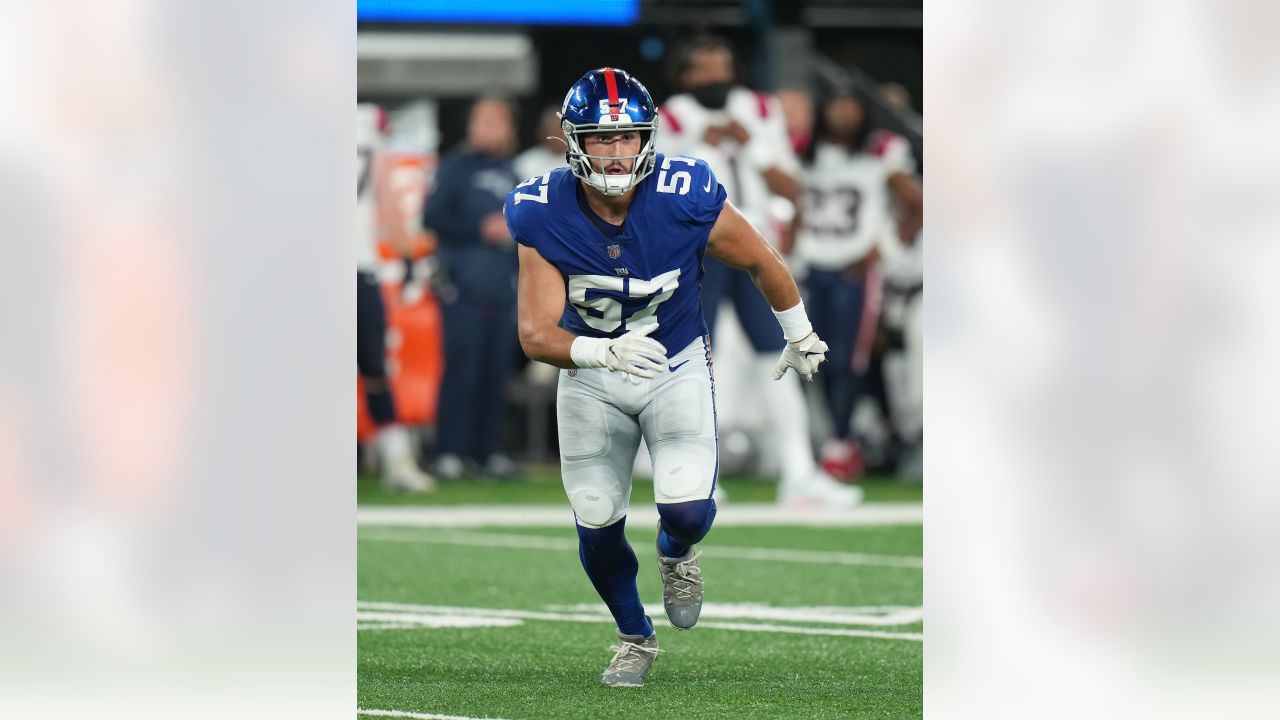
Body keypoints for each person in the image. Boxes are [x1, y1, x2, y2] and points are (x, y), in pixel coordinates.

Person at [507, 68, 831, 687]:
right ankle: (635, 636)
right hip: (591, 373)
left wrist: (800, 333)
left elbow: (762, 257)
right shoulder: (541, 210)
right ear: (573, 141)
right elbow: (535, 334)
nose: (615, 151)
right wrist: (601, 354)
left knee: (686, 511)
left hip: (674, 362)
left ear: (647, 138)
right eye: (600, 139)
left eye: (627, 136)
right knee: (597, 514)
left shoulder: (684, 192)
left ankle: (676, 554)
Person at [658, 36, 860, 508]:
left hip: (754, 245)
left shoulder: (761, 110)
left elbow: (790, 186)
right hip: (698, 249)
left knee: (784, 353)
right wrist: (691, 145)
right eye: (704, 67)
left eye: (722, 64)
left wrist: (754, 151)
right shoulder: (667, 119)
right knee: (691, 360)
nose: (716, 77)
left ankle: (799, 472)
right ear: (685, 76)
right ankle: (694, 473)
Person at [794, 88, 922, 479]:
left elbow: (914, 204)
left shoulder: (881, 150)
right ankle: (821, 439)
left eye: (851, 105)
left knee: (849, 358)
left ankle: (842, 441)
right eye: (836, 104)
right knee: (804, 358)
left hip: (854, 268)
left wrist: (880, 250)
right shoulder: (805, 150)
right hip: (807, 267)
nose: (844, 113)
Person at [421, 97, 522, 480]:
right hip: (463, 285)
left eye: (496, 121)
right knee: (462, 370)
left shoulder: (514, 171)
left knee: (495, 373)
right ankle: (448, 450)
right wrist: (480, 227)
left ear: (510, 128)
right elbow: (431, 216)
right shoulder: (456, 167)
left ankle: (487, 451)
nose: (487, 129)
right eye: (481, 121)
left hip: (502, 286)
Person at [356, 103, 435, 493]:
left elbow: (385, 197)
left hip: (359, 264)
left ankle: (397, 459)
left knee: (373, 366)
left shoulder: (367, 123)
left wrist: (407, 253)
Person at [514, 105, 568, 181]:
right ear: (543, 131)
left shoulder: (580, 160)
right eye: (554, 129)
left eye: (562, 130)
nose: (559, 134)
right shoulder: (526, 162)